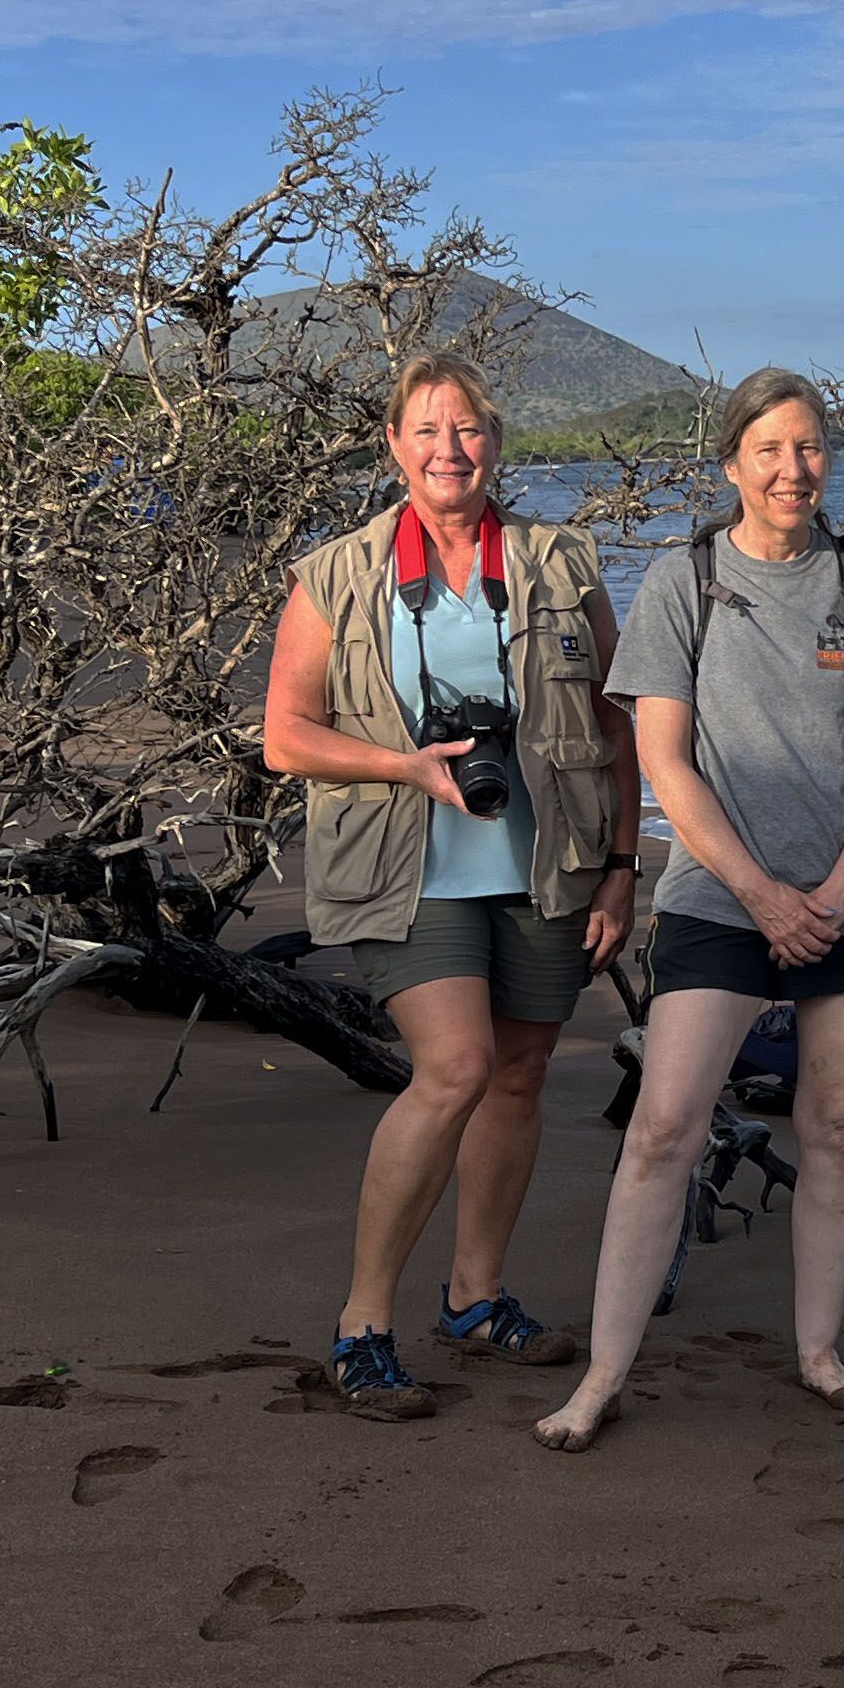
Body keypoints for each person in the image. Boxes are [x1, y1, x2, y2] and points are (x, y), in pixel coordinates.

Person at [539, 368, 844, 1451]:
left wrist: (839, 892)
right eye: (768, 450)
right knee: (664, 1128)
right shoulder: (686, 580)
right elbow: (664, 762)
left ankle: (820, 1356)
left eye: (808, 448)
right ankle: (601, 1379)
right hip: (719, 899)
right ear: (732, 465)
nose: (791, 469)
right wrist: (765, 896)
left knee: (838, 1127)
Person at [261, 351, 639, 1417]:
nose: (449, 449)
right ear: (394, 446)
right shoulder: (338, 573)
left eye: (467, 428)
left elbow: (616, 724)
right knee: (454, 1068)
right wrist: (409, 767)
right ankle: (362, 1326)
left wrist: (623, 871)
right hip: (406, 866)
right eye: (427, 430)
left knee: (518, 1075)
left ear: (496, 442)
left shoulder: (560, 562)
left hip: (544, 864)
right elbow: (285, 735)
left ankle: (475, 1298)